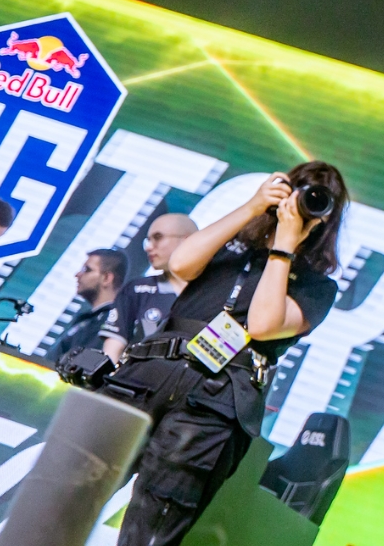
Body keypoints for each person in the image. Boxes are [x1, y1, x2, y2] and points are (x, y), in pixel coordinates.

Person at [107, 162, 347, 546]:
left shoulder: (317, 286)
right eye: (296, 190)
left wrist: (284, 247)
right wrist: (254, 206)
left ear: (326, 218)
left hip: (215, 399)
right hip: (148, 373)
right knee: (72, 483)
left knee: (153, 526)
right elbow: (180, 264)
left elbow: (263, 325)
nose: (299, 204)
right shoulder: (232, 246)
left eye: (315, 200)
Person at [100, 213, 199, 364]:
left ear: (186, 240)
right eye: (148, 240)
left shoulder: (218, 288)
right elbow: (112, 351)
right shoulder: (137, 290)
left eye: (158, 238)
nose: (148, 247)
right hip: (142, 374)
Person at [52, 247, 127, 359]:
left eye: (87, 270)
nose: (77, 275)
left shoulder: (113, 323)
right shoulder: (87, 320)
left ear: (106, 278)